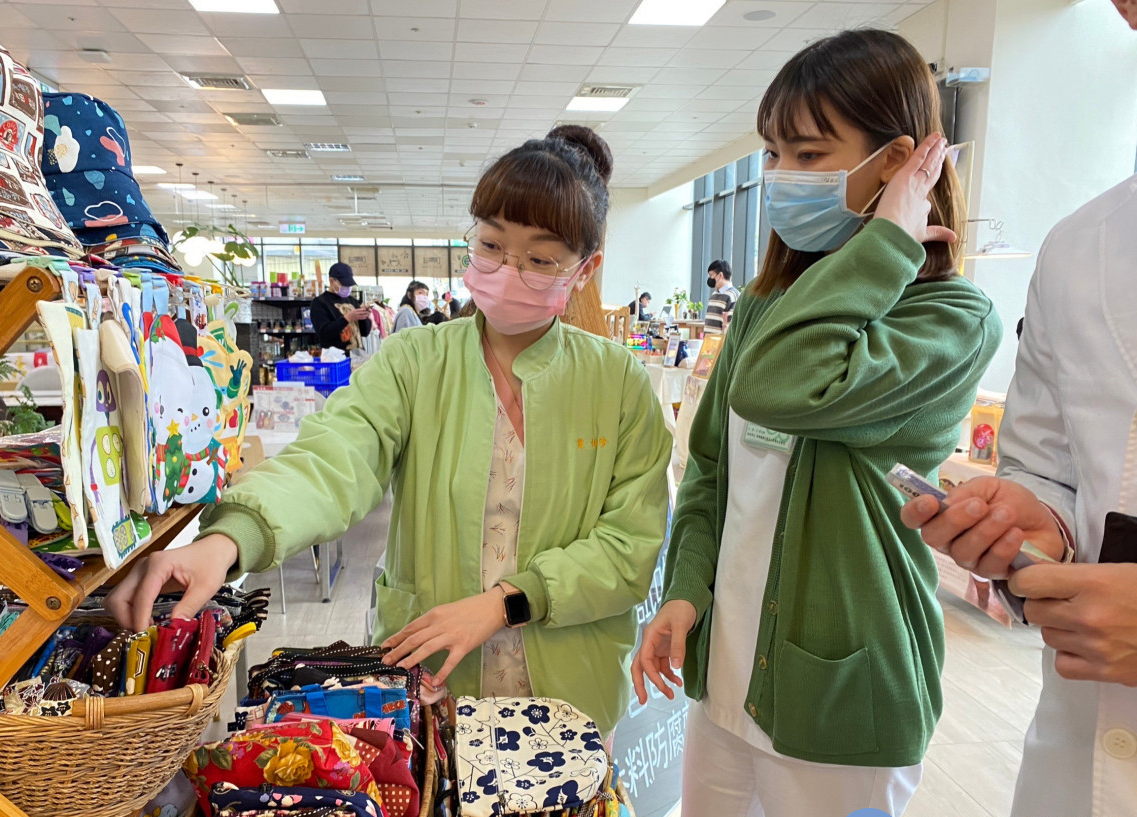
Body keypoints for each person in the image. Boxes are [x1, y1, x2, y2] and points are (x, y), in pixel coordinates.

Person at [105, 125, 673, 736]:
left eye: (539, 260)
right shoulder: (415, 362)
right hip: (430, 683)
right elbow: (336, 457)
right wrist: (229, 540)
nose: (507, 271)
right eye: (490, 246)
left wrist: (507, 601)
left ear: (584, 271)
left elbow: (630, 546)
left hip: (568, 694)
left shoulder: (618, 384)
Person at [630, 29, 1002, 817]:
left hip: (848, 693)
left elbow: (782, 385)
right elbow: (715, 473)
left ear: (898, 163)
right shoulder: (770, 306)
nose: (780, 176)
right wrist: (685, 589)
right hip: (727, 677)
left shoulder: (951, 318)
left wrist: (889, 243)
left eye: (807, 152)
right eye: (771, 153)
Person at [899, 11, 1136, 817]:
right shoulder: (1082, 247)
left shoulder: (951, 312)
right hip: (1077, 777)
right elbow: (1057, 474)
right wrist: (1028, 521)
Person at [310, 263, 372, 352]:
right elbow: (323, 333)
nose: (347, 288)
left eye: (349, 285)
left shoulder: (352, 301)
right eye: (344, 284)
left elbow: (365, 332)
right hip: (335, 359)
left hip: (357, 356)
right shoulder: (320, 303)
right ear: (331, 281)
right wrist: (347, 319)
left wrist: (365, 317)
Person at [703, 260, 739, 334]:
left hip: (720, 343)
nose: (710, 279)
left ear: (720, 275)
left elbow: (731, 326)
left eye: (711, 275)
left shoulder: (733, 295)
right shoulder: (714, 294)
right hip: (709, 342)